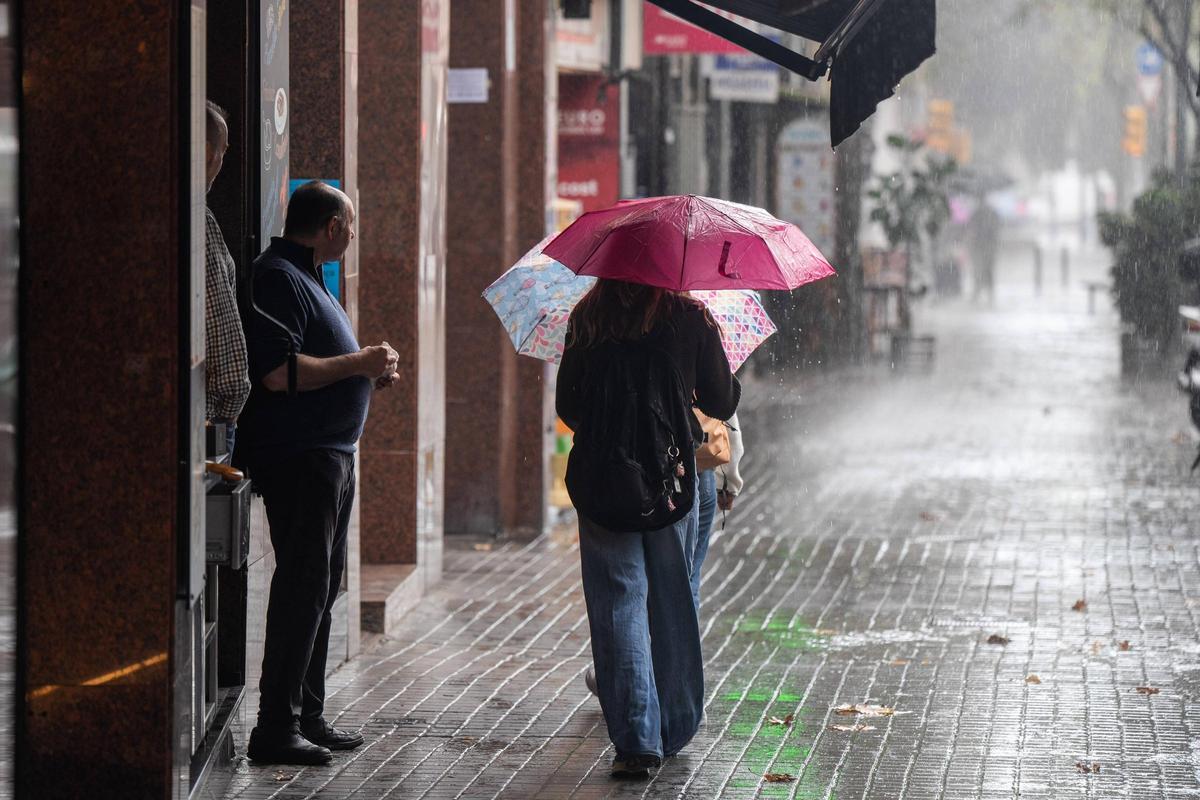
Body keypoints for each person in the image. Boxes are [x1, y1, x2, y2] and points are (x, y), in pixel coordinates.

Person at [239, 181, 400, 766]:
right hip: (301, 457)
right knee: (302, 586)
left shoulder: (309, 276)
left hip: (331, 453)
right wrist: (359, 362)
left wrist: (362, 374)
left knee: (322, 586)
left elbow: (320, 364)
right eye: (351, 225)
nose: (354, 236)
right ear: (332, 225)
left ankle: (307, 714)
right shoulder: (277, 277)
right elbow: (278, 374)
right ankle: (274, 727)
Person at [556, 279, 739, 779]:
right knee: (668, 597)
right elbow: (721, 401)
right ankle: (673, 726)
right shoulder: (689, 316)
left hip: (602, 482)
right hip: (670, 481)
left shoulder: (587, 317)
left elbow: (567, 408)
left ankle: (636, 742)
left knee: (618, 601)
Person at [203, 101, 250, 453]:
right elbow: (220, 323)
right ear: (206, 152)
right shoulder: (198, 220)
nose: (222, 161)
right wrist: (229, 412)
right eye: (223, 150)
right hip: (208, 418)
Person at [690, 411, 744, 610]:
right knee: (688, 579)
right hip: (697, 466)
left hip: (629, 468)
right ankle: (684, 640)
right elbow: (724, 409)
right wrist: (728, 481)